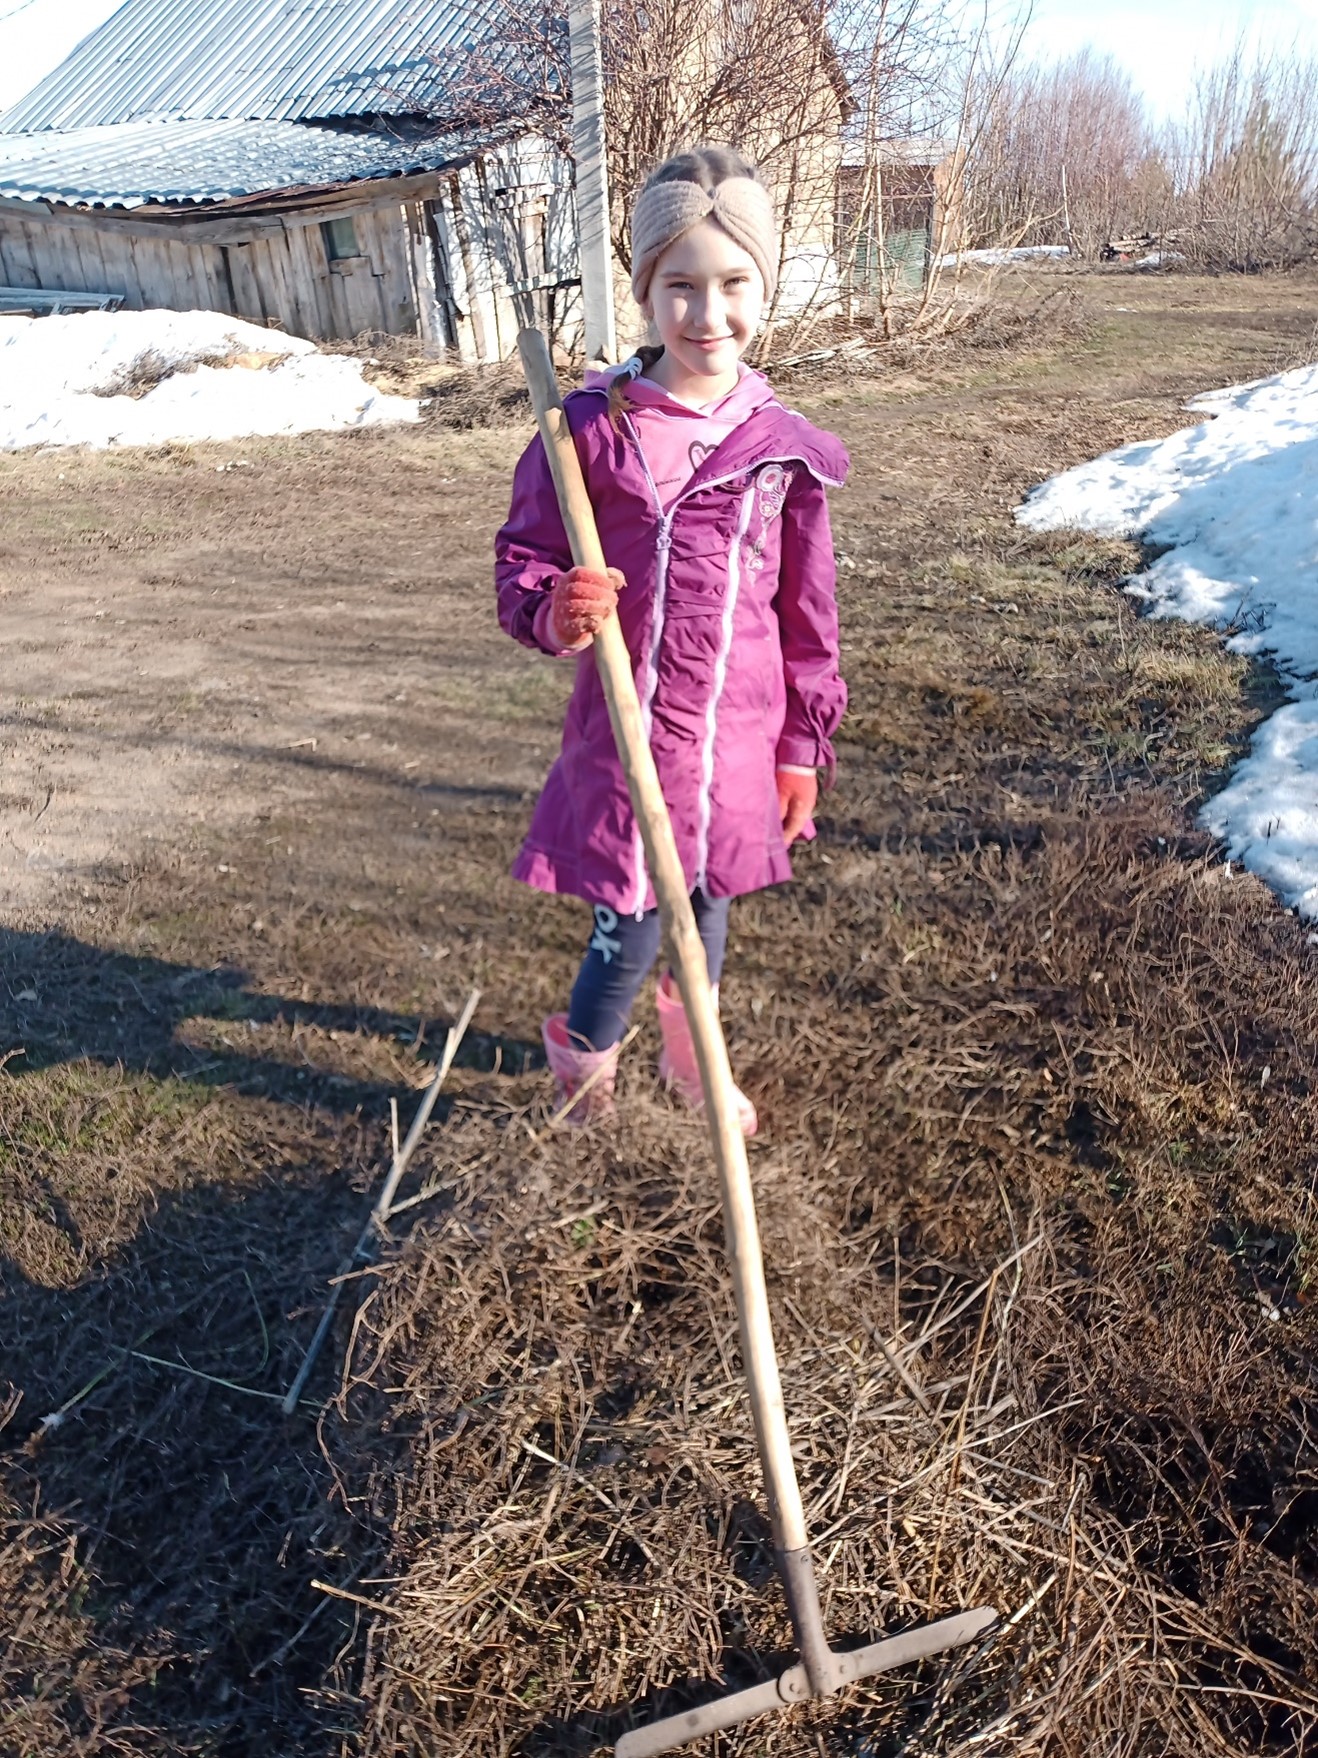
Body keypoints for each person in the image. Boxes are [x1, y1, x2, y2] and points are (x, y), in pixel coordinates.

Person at [495, 145, 849, 1133]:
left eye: (734, 284)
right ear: (647, 292)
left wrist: (799, 749)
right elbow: (523, 556)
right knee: (636, 920)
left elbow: (806, 619)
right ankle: (586, 1075)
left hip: (736, 742)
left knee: (710, 914)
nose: (708, 314)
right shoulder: (589, 433)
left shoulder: (781, 448)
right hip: (630, 739)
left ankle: (693, 1062)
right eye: (679, 286)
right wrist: (555, 605)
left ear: (763, 290)